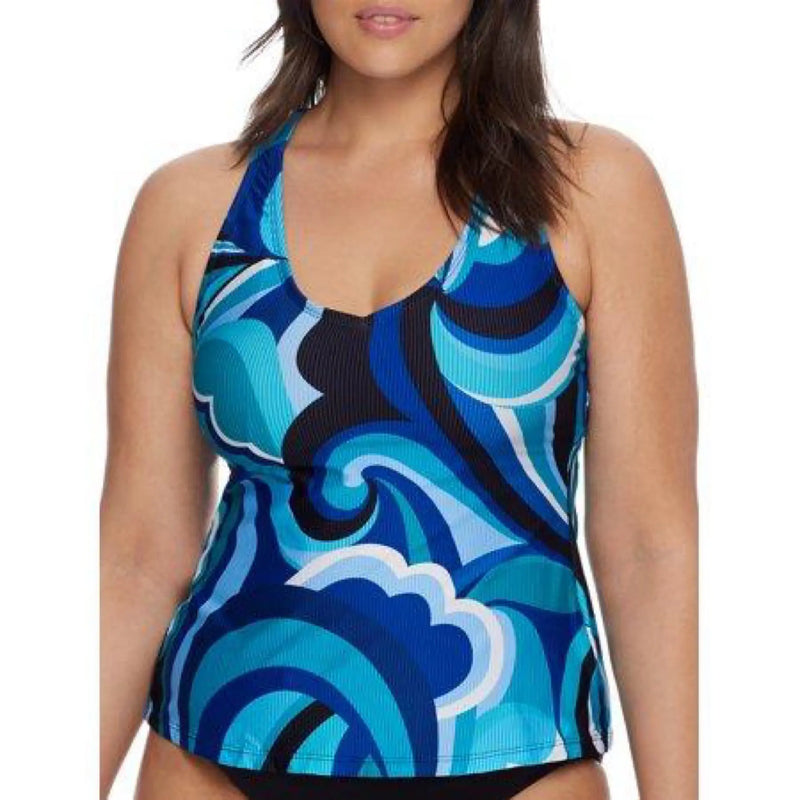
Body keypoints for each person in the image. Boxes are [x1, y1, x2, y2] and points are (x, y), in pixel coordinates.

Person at [99, 2, 699, 798]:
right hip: (215, 750)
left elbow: (648, 545)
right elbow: (139, 552)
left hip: (517, 750)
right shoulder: (192, 205)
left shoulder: (590, 189)